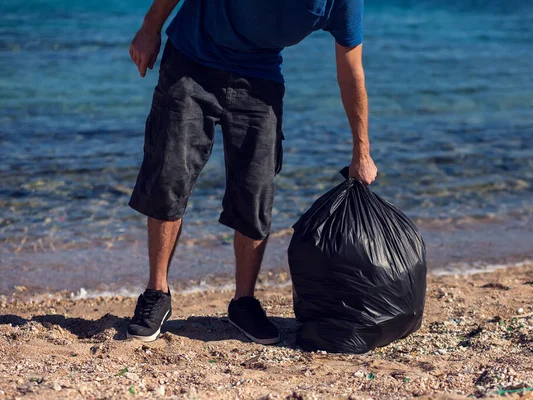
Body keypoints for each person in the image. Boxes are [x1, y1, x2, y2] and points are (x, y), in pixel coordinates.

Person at [126, 0, 378, 344]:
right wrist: (150, 27)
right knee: (169, 177)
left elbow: (351, 70)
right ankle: (157, 292)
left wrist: (361, 151)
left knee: (255, 191)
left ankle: (244, 302)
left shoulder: (342, 3)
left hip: (259, 77)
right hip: (192, 60)